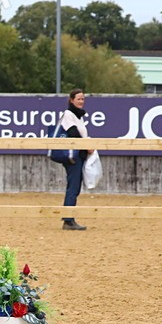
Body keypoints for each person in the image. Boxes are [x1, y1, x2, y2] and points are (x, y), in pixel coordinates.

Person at [59, 88, 94, 230]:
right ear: (71, 100)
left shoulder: (78, 116)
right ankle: (68, 219)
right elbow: (73, 133)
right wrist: (86, 146)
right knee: (73, 187)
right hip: (72, 155)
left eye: (83, 99)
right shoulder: (68, 114)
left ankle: (69, 217)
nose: (81, 101)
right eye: (79, 98)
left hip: (78, 154)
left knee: (74, 187)